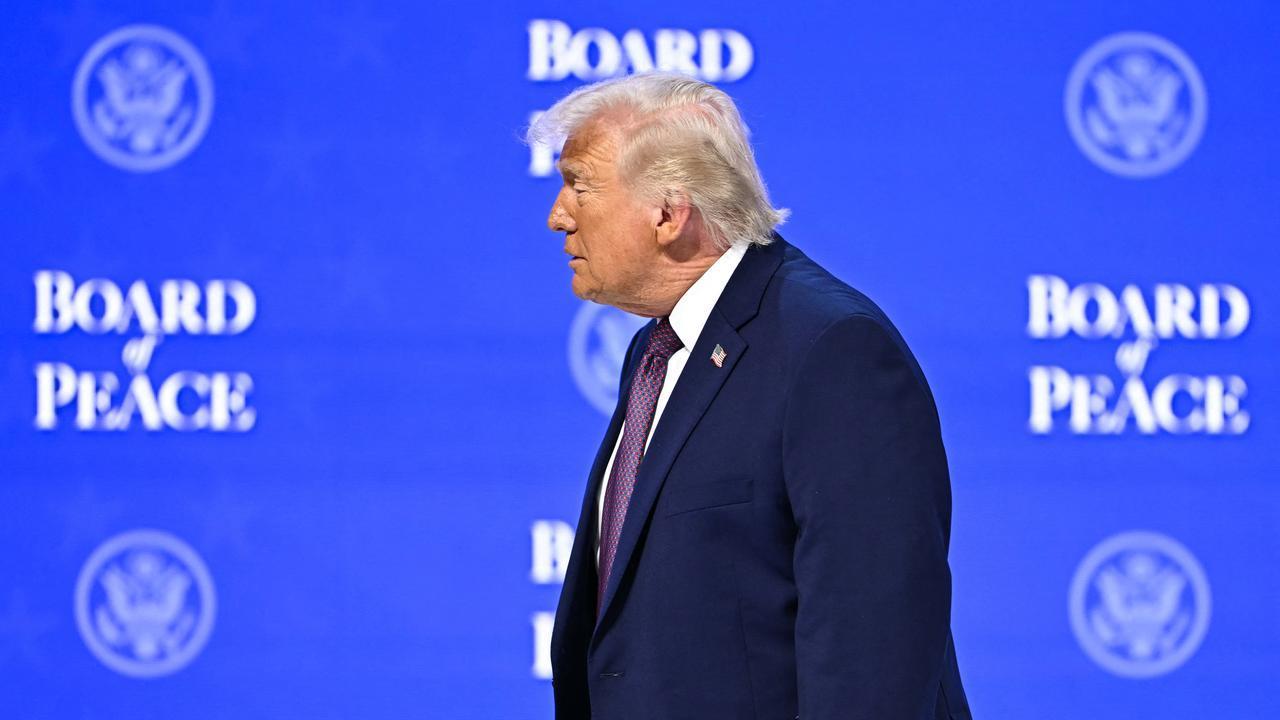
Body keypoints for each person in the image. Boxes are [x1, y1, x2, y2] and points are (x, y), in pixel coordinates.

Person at [530, 72, 971, 720]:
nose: (557, 215)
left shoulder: (833, 352)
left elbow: (873, 658)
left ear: (667, 212)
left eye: (579, 185)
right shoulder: (659, 349)